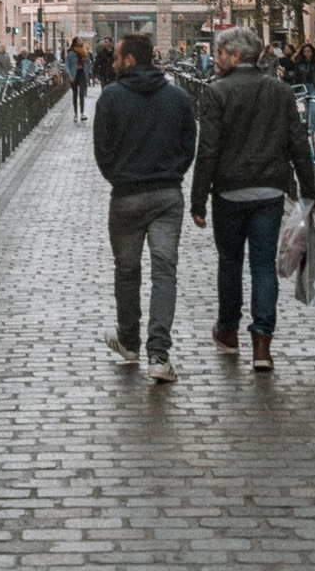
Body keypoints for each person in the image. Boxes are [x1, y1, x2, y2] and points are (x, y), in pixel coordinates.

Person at [190, 26, 315, 374]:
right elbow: (298, 143)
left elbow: (209, 150)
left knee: (229, 262)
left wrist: (198, 199)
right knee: (263, 267)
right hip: (269, 192)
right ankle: (262, 344)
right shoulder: (278, 91)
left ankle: (228, 332)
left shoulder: (217, 93)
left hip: (229, 192)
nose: (214, 60)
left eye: (218, 54)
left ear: (235, 55)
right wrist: (309, 191)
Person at [94, 32, 198, 383]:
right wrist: (172, 174)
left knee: (127, 271)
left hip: (125, 196)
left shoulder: (110, 97)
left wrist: (119, 176)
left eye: (117, 57)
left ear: (131, 60)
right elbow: (189, 145)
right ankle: (158, 354)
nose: (112, 62)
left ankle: (129, 342)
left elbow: (102, 150)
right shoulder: (178, 97)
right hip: (167, 196)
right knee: (164, 271)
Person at [290, 41, 315, 139]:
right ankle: (305, 131)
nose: (307, 53)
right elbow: (295, 77)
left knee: (314, 111)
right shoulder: (298, 63)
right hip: (302, 88)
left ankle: (312, 131)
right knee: (304, 112)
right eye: (305, 51)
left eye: (309, 51)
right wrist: (294, 91)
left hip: (314, 88)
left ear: (312, 52)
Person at [65, 36, 90, 121]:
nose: (81, 41)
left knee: (82, 94)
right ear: (75, 42)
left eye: (81, 40)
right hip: (74, 74)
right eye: (79, 40)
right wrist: (69, 75)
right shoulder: (71, 52)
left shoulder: (85, 51)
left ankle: (82, 113)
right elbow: (67, 63)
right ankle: (75, 114)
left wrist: (88, 74)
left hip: (82, 73)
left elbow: (88, 63)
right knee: (75, 94)